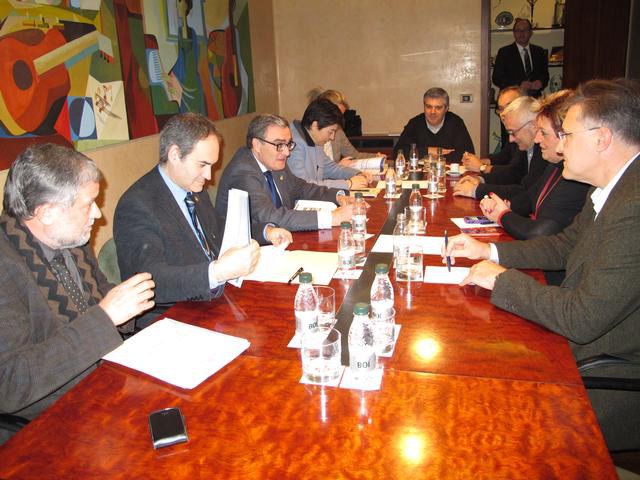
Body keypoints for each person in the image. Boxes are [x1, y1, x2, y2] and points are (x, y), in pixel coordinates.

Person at [443, 78, 640, 451]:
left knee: (475, 402)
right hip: (581, 347)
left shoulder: (634, 206)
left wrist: (501, 280)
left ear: (602, 138)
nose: (559, 146)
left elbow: (581, 318)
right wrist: (489, 252)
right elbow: (565, 246)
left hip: (603, 372)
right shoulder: (613, 188)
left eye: (567, 135)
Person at [0, 144, 155, 444]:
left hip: (105, 381)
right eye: (89, 204)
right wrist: (106, 318)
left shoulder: (70, 239)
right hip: (52, 422)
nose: (97, 214)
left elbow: (102, 297)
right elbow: (10, 383)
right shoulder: (5, 267)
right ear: (46, 213)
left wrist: (132, 307)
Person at [114, 113, 291, 328]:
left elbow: (218, 230)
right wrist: (217, 272)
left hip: (215, 301)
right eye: (202, 165)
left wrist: (265, 231)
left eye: (212, 165)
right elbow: (151, 281)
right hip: (172, 317)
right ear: (175, 154)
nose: (209, 176)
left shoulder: (194, 188)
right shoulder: (137, 205)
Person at [215, 114, 358, 232]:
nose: (287, 152)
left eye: (288, 144)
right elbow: (270, 216)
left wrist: (338, 196)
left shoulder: (273, 161)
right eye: (279, 144)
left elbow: (301, 188)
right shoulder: (243, 172)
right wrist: (332, 218)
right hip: (248, 249)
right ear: (257, 145)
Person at [454, 96, 546, 200]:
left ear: (533, 126)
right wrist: (481, 179)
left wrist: (476, 190)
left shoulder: (544, 151)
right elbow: (514, 174)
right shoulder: (526, 145)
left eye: (513, 132)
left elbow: (526, 193)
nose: (511, 139)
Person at [287, 99, 369, 190]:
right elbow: (304, 185)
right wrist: (348, 184)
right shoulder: (293, 144)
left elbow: (330, 168)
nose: (332, 137)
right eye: (330, 132)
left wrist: (357, 173)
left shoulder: (314, 138)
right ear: (315, 125)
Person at [394, 87, 474, 163]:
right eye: (429, 107)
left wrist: (434, 156)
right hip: (420, 172)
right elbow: (398, 153)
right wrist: (428, 150)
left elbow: (468, 154)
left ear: (446, 109)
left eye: (438, 108)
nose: (432, 112)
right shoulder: (415, 123)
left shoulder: (456, 123)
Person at [307, 88, 380, 167]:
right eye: (336, 114)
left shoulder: (338, 132)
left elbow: (353, 155)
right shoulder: (311, 135)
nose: (339, 119)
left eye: (341, 115)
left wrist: (376, 157)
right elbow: (315, 171)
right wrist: (338, 167)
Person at [462, 86, 525, 171]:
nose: (503, 113)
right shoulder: (514, 131)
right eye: (501, 109)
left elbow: (515, 173)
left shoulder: (529, 134)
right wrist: (481, 162)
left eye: (509, 107)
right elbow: (505, 156)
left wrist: (481, 167)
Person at [492, 18, 550, 98]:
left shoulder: (539, 51)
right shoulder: (504, 52)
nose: (521, 33)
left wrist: (541, 82)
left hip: (534, 99)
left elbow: (545, 75)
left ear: (530, 33)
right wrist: (518, 84)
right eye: (518, 30)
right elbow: (497, 78)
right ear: (514, 33)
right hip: (512, 99)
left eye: (525, 30)